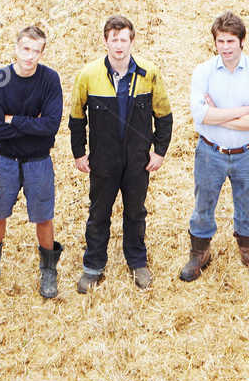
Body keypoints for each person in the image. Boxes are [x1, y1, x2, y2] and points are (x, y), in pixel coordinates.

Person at [70, 15, 172, 292]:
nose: (118, 45)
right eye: (113, 39)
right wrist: (79, 153)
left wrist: (159, 152)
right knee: (99, 212)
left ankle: (138, 262)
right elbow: (77, 117)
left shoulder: (148, 73)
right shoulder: (88, 75)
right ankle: (93, 266)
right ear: (105, 41)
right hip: (103, 160)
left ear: (132, 41)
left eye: (123, 39)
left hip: (137, 161)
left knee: (136, 212)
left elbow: (164, 115)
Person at [0, 25, 66, 299]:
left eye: (36, 51)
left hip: (39, 161)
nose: (30, 56)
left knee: (44, 217)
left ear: (42, 52)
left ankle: (49, 270)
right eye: (26, 49)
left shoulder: (50, 79)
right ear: (16, 48)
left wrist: (12, 120)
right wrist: (30, 124)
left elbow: (50, 126)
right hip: (6, 160)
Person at [181, 12, 249, 280]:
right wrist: (242, 112)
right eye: (220, 40)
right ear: (215, 42)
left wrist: (220, 114)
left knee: (247, 202)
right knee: (203, 203)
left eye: (231, 40)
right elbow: (201, 116)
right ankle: (199, 252)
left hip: (248, 153)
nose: (225, 46)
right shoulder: (203, 72)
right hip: (211, 152)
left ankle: (248, 249)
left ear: (242, 41)